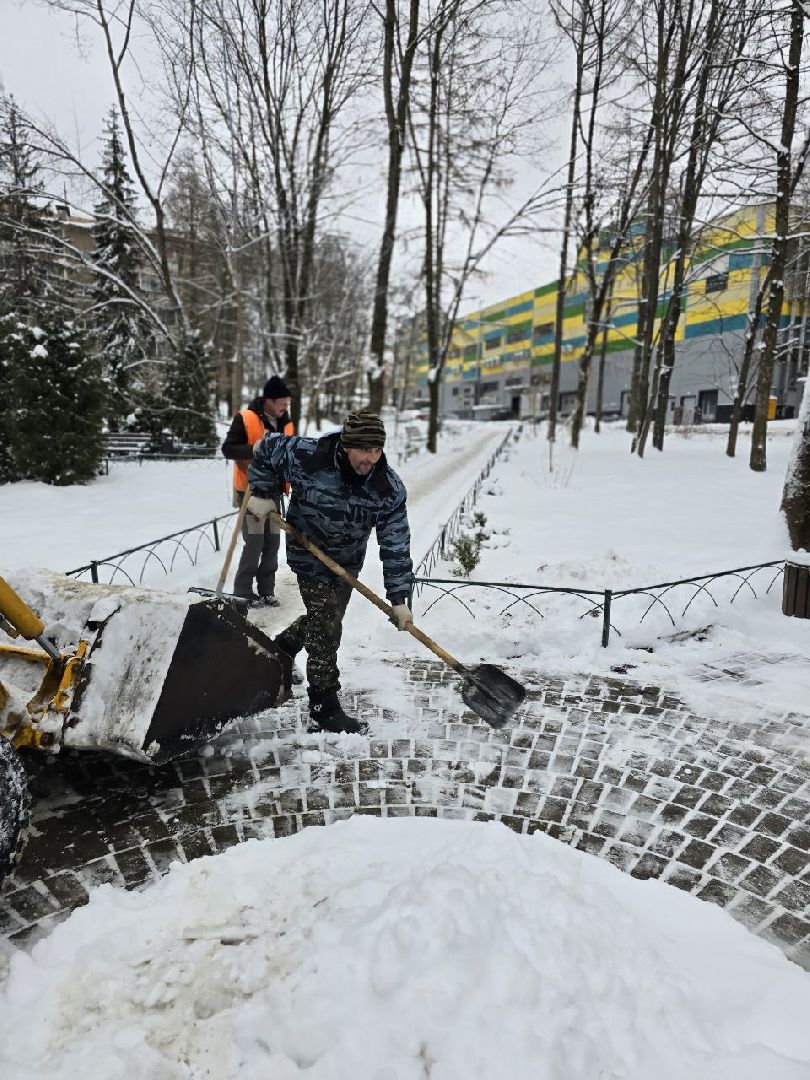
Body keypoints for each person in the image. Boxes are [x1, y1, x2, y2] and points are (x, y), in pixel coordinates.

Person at [247, 410, 414, 735]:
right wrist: (264, 492)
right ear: (346, 445)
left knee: (326, 616)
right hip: (307, 551)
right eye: (363, 449)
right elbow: (266, 449)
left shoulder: (387, 489)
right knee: (326, 628)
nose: (370, 458)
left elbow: (396, 544)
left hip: (347, 561)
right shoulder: (310, 456)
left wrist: (400, 597)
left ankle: (281, 649)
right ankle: (324, 706)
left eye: (376, 450)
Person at [221, 376, 294, 605]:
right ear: (269, 400)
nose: (285, 407)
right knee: (254, 543)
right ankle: (242, 592)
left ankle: (266, 591)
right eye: (282, 403)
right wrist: (254, 448)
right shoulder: (246, 418)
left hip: (275, 493)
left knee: (272, 544)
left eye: (287, 403)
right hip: (250, 494)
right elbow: (228, 449)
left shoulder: (287, 424)